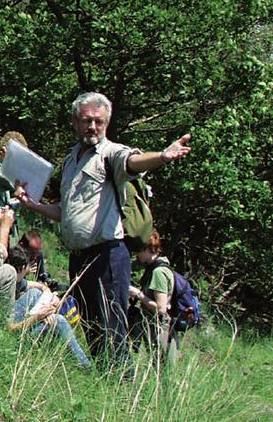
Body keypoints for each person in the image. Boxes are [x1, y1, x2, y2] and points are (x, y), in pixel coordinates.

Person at [14, 91, 191, 362]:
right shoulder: (71, 160)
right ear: (75, 122)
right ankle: (105, 382)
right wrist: (33, 205)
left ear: (107, 123)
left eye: (99, 121)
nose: (92, 127)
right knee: (91, 327)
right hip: (79, 258)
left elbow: (132, 161)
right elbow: (66, 211)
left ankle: (122, 389)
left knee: (111, 328)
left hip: (107, 257)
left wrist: (163, 157)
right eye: (86, 120)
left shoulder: (110, 154)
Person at [9, 247, 91, 367]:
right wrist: (39, 317)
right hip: (17, 336)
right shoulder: (7, 289)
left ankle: (73, 357)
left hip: (31, 322)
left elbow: (42, 287)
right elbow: (11, 328)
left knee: (36, 293)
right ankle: (85, 365)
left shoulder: (18, 282)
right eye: (27, 268)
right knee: (59, 320)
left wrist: (48, 305)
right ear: (21, 269)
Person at [128, 231, 183, 362]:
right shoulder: (154, 268)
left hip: (160, 329)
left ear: (147, 249)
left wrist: (138, 295)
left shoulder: (158, 272)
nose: (136, 254)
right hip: (155, 327)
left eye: (138, 250)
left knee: (162, 370)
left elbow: (161, 309)